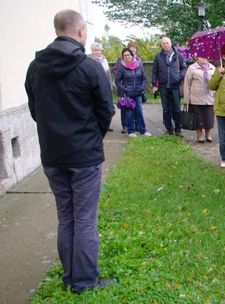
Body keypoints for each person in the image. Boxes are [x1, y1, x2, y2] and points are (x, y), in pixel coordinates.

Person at [24, 9, 115, 294]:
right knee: (84, 219)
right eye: (86, 30)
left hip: (54, 153)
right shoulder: (89, 67)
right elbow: (105, 110)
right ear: (79, 31)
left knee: (67, 216)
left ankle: (71, 276)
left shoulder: (35, 67)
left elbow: (35, 110)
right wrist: (91, 138)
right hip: (83, 154)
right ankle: (84, 281)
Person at [152, 36, 187, 136]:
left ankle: (178, 129)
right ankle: (169, 129)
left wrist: (178, 77)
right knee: (166, 109)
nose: (166, 45)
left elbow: (184, 68)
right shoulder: (158, 57)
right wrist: (154, 85)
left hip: (175, 86)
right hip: (163, 86)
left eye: (167, 43)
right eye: (164, 43)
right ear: (161, 45)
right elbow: (154, 72)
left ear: (170, 43)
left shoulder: (178, 55)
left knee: (176, 108)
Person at [115, 47, 151, 137]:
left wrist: (142, 87)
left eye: (128, 55)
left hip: (138, 93)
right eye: (125, 55)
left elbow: (144, 78)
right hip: (128, 94)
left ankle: (143, 131)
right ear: (123, 57)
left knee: (139, 111)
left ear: (132, 55)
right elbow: (117, 81)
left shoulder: (139, 65)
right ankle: (131, 131)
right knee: (129, 112)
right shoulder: (122, 67)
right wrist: (124, 89)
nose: (127, 57)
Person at [184, 57, 216, 142]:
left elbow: (216, 82)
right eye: (201, 56)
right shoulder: (192, 68)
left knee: (209, 118)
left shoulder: (213, 68)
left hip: (209, 98)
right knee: (198, 119)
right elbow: (187, 83)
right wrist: (187, 99)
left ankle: (208, 134)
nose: (204, 58)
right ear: (198, 57)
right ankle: (199, 135)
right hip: (196, 98)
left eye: (205, 56)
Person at [89, 42, 114, 132]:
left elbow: (108, 74)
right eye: (95, 50)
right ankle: (94, 125)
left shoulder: (104, 60)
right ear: (92, 51)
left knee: (105, 106)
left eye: (99, 50)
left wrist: (110, 85)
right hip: (93, 87)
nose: (97, 52)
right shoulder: (88, 60)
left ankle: (106, 124)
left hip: (105, 86)